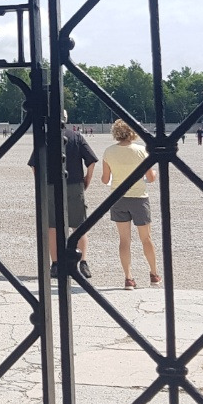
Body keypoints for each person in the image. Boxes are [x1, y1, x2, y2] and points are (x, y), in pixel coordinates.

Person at [28, 112, 97, 282]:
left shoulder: (45, 137)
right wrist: (86, 180)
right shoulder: (76, 136)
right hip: (74, 184)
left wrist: (41, 183)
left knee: (52, 226)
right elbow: (91, 160)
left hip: (51, 185)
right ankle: (83, 262)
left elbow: (34, 165)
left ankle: (56, 264)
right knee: (79, 225)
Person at [101, 119, 160, 289]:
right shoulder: (141, 151)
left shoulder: (109, 151)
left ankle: (128, 277)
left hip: (118, 197)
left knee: (124, 240)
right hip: (139, 197)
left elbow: (105, 179)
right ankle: (154, 274)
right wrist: (154, 172)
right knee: (146, 238)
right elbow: (151, 178)